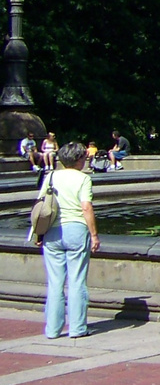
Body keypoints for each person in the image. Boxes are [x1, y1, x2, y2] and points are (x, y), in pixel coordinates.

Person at [38, 141, 98, 339]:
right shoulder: (83, 179)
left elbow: (41, 206)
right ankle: (78, 328)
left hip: (52, 232)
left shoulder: (51, 176)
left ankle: (53, 329)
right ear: (79, 159)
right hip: (77, 231)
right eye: (84, 158)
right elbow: (86, 207)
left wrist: (38, 233)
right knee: (77, 281)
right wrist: (94, 235)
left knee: (55, 283)